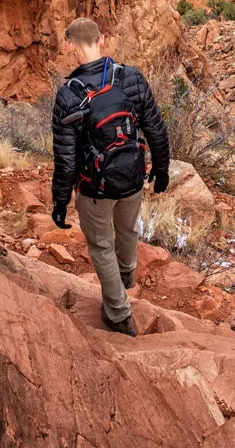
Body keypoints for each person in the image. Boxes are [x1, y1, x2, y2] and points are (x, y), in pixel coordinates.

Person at [51, 18, 170, 337]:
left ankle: (118, 314)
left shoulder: (68, 95)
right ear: (101, 40)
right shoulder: (131, 78)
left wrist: (61, 201)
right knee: (128, 229)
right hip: (132, 178)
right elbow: (156, 129)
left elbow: (66, 159)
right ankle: (126, 276)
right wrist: (161, 170)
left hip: (94, 189)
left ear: (69, 46)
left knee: (102, 246)